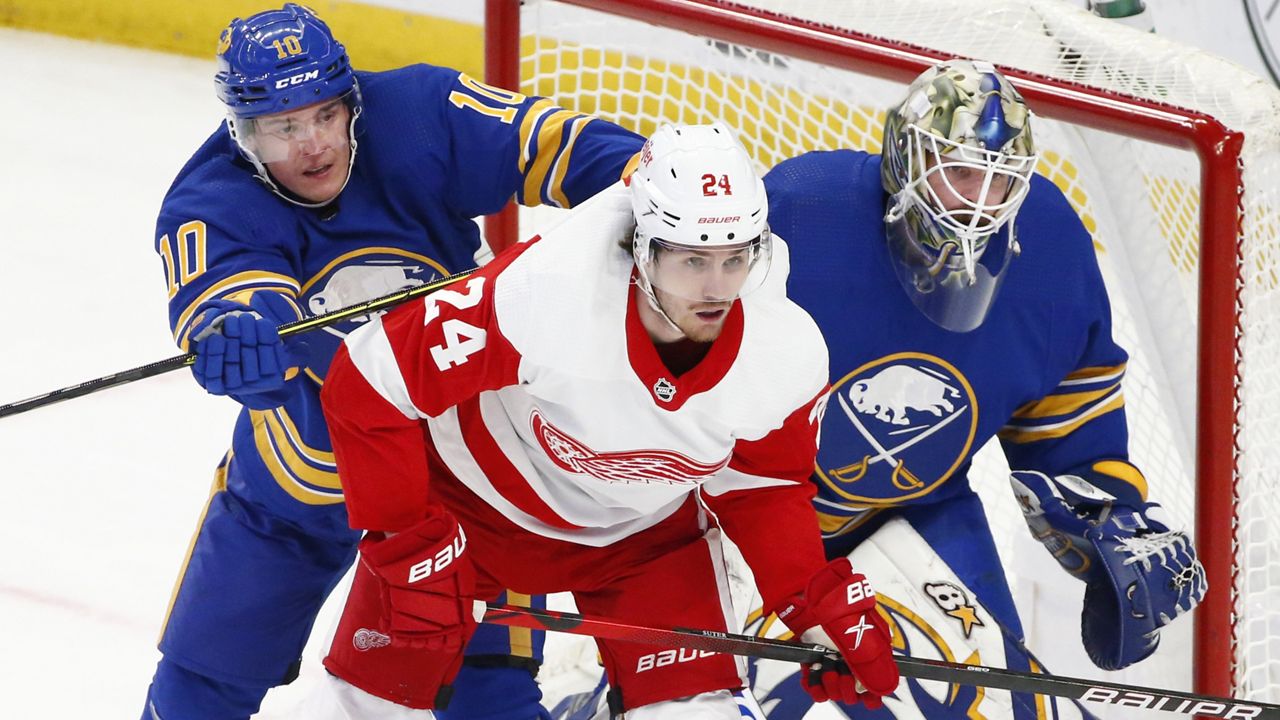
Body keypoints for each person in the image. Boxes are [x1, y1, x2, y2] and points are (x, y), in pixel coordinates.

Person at [143, 4, 649, 719]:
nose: (313, 144)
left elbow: (555, 144)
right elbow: (234, 298)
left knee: (491, 698)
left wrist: (649, 183)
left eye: (324, 114)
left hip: (466, 475)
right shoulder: (213, 201)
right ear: (241, 133)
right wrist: (238, 339)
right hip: (308, 476)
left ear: (353, 98)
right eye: (282, 128)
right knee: (198, 693)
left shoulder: (416, 113)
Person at [305, 122, 900, 720]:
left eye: (734, 258)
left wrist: (808, 602)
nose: (717, 288)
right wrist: (408, 542)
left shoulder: (784, 349)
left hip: (646, 540)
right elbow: (368, 378)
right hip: (474, 511)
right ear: (643, 250)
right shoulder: (545, 292)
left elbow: (763, 486)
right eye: (693, 259)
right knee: (362, 710)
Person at [740, 59, 1207, 719]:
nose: (978, 205)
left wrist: (1105, 518)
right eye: (960, 172)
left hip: (917, 512)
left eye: (1000, 183)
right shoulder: (803, 213)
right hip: (745, 521)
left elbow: (1066, 423)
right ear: (904, 159)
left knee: (1004, 710)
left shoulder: (1046, 248)